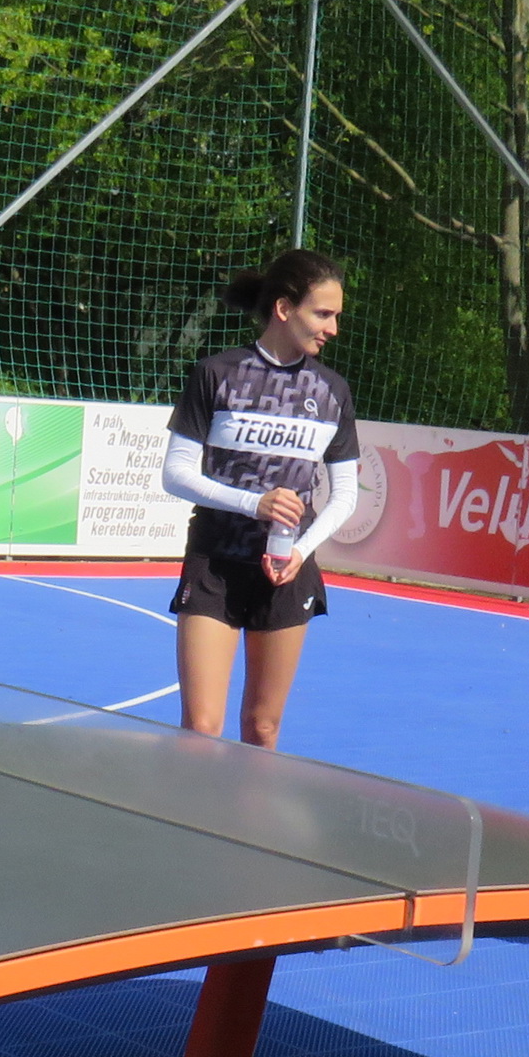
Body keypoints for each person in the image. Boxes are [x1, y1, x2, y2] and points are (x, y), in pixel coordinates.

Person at [160, 249, 359, 750]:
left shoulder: (333, 391)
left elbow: (345, 495)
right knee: (201, 727)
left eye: (336, 315)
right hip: (215, 563)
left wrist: (300, 551)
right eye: (323, 313)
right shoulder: (216, 373)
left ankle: (250, 806)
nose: (333, 328)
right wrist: (255, 504)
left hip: (287, 570)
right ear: (284, 308)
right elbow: (175, 475)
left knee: (262, 728)